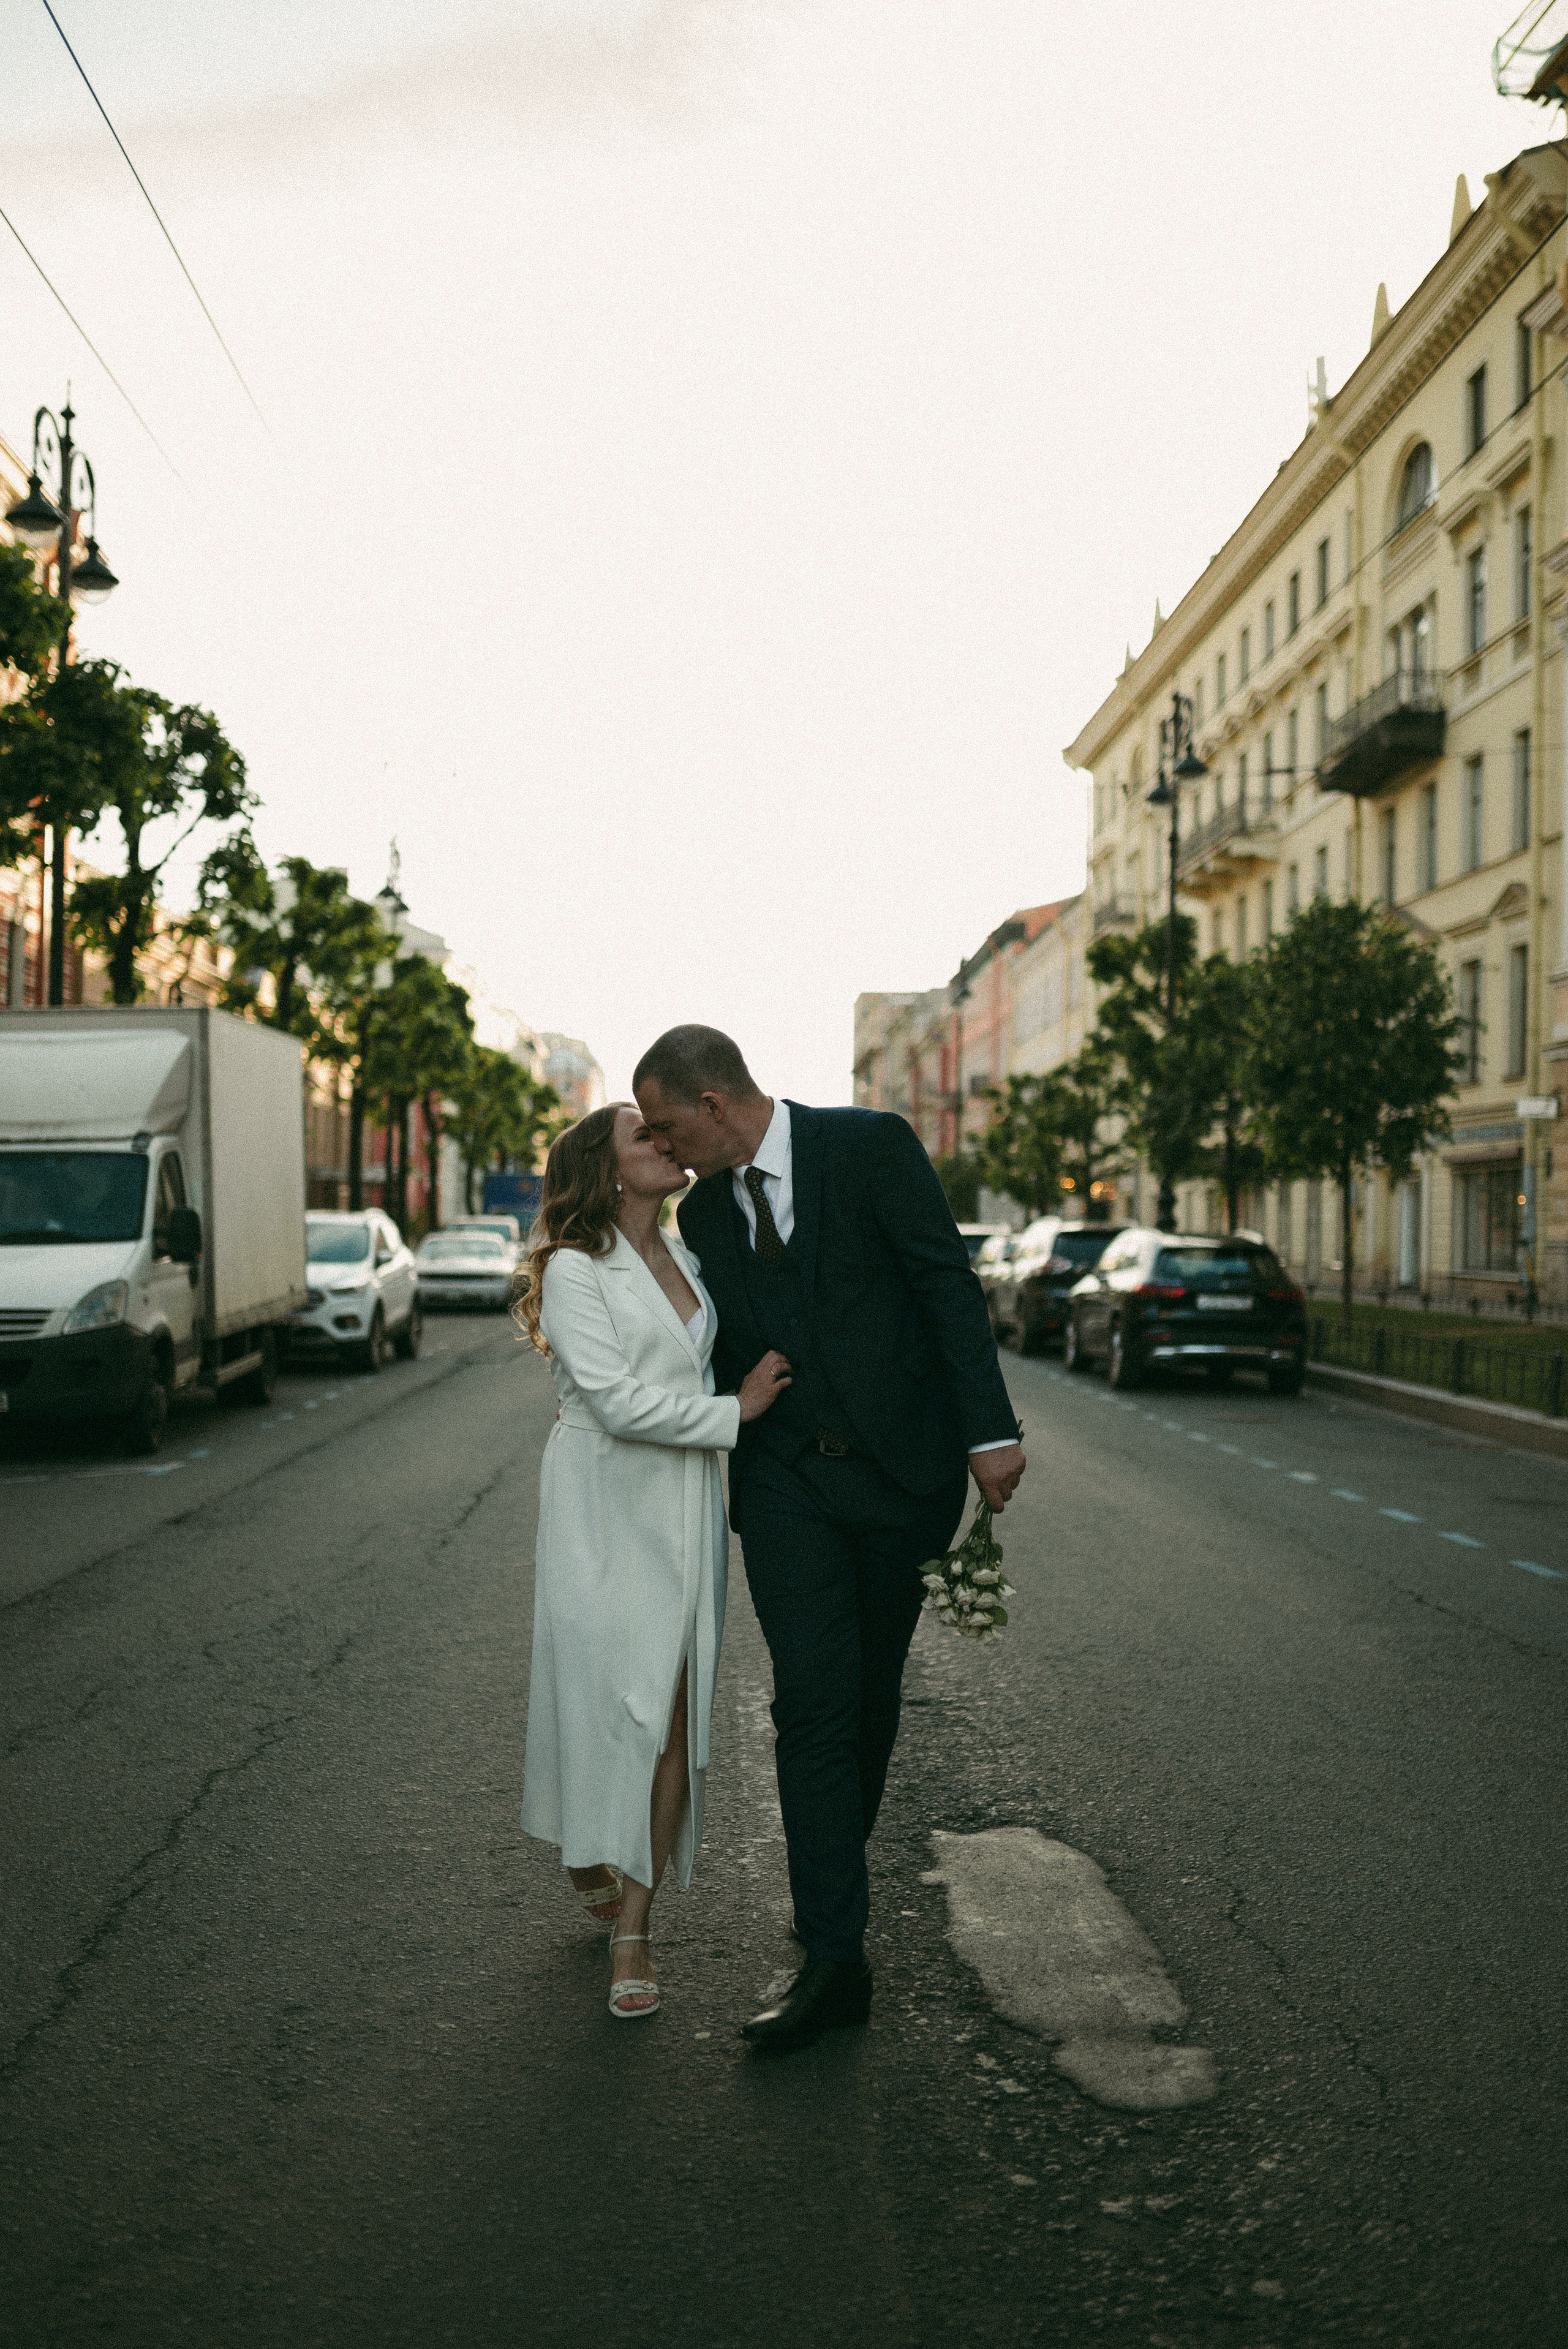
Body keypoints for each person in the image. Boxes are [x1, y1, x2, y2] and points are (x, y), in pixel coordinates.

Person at [633, 1027, 1025, 2053]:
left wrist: (991, 1431)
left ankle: (830, 1878)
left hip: (907, 1477)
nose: (669, 1153)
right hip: (788, 1484)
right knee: (810, 1702)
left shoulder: (872, 1145)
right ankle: (834, 1955)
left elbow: (947, 1285)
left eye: (671, 1128)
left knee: (869, 1703)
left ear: (715, 1104)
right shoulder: (703, 1212)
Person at [516, 1103, 791, 2019]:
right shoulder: (570, 1272)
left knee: (674, 1708)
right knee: (606, 1695)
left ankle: (634, 1927)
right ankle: (590, 1846)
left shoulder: (695, 1260)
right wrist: (736, 1412)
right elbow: (619, 1400)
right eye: (647, 1138)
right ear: (605, 1167)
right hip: (603, 1493)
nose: (666, 1146)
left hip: (686, 1500)